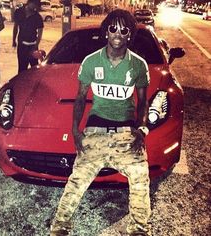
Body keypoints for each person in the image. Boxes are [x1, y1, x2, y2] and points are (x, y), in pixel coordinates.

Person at [50, 9, 151, 236]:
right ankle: (59, 227)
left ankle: (139, 229)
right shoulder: (90, 62)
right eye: (113, 28)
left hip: (126, 131)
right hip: (95, 130)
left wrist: (141, 130)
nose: (118, 33)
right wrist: (76, 131)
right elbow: (79, 97)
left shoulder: (138, 65)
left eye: (124, 30)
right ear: (106, 31)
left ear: (129, 35)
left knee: (140, 174)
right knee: (77, 180)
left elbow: (143, 101)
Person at [12, 0, 44, 73]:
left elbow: (40, 33)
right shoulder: (19, 12)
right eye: (34, 5)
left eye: (37, 6)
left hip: (32, 45)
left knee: (34, 69)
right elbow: (15, 27)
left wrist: (35, 46)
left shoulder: (37, 17)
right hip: (22, 45)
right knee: (22, 68)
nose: (35, 8)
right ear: (29, 3)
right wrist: (13, 40)